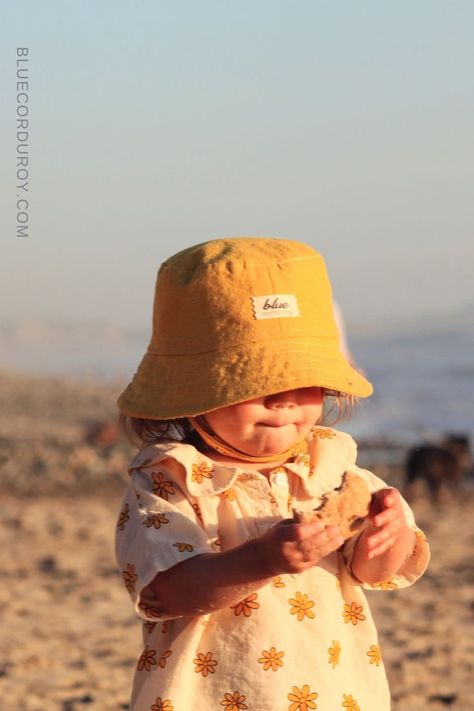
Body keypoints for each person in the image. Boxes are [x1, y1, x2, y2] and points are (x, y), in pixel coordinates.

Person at [116, 237, 429, 711]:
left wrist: (388, 540)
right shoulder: (170, 480)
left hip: (332, 692)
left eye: (302, 380)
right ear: (193, 392)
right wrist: (262, 559)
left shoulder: (335, 469)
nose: (283, 399)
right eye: (256, 382)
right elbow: (170, 590)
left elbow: (376, 572)